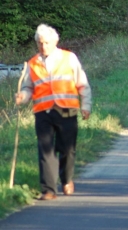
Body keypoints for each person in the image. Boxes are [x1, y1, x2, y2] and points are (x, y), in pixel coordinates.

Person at [15, 24, 92, 200]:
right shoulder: (32, 63)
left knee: (68, 149)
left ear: (55, 42)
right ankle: (48, 189)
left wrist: (86, 105)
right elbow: (28, 87)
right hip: (43, 112)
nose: (43, 46)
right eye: (40, 43)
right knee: (46, 150)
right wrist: (23, 96)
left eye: (47, 43)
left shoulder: (69, 58)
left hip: (67, 110)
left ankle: (66, 179)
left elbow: (83, 84)